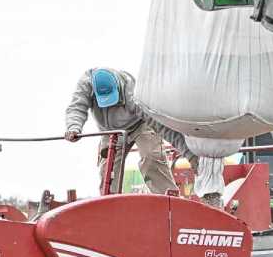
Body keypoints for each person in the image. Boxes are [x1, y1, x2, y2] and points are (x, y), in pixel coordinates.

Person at [65, 68, 196, 195]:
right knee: (108, 172)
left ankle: (168, 202)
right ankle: (110, 205)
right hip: (111, 131)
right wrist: (73, 127)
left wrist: (189, 153)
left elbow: (161, 127)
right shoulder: (86, 85)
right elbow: (76, 107)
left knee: (152, 156)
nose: (110, 105)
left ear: (118, 87)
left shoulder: (133, 92)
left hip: (140, 125)